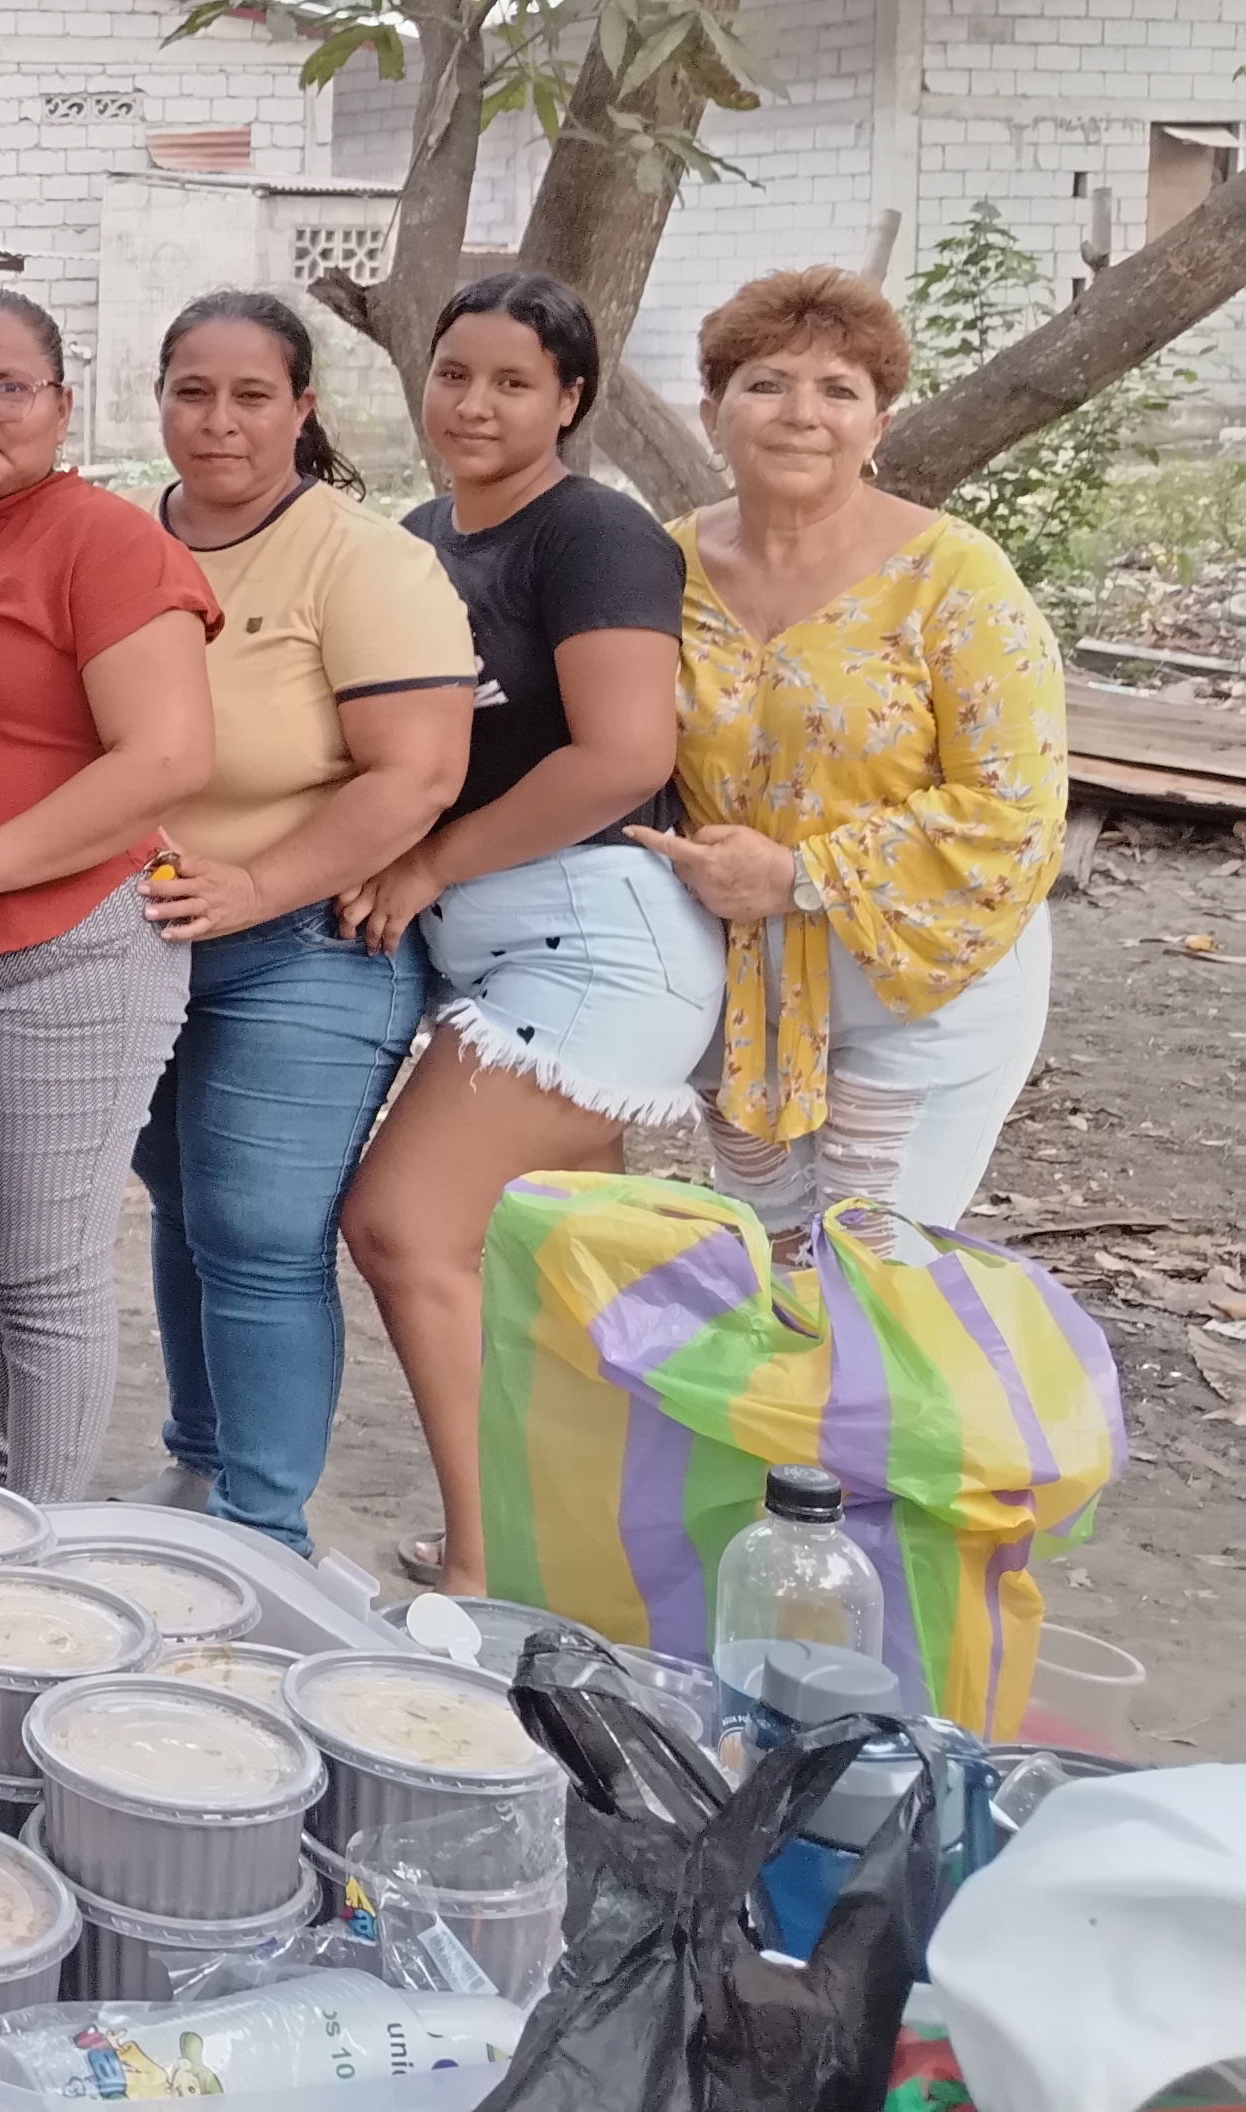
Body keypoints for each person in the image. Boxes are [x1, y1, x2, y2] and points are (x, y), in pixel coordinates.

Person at [335, 276, 718, 1596]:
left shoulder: (595, 535)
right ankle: (591, 1555)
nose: (474, 404)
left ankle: (485, 1565)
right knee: (561, 1278)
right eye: (454, 373)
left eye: (513, 382)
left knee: (401, 1226)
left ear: (570, 400)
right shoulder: (416, 538)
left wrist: (429, 861)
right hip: (484, 942)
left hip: (593, 938)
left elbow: (624, 756)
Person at [131, 291, 474, 1556]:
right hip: (143, 943)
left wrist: (254, 886)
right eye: (192, 392)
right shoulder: (122, 544)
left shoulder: (360, 559)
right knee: (179, 1201)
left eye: (250, 396)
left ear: (302, 408)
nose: (218, 422)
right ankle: (199, 1466)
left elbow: (417, 774)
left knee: (259, 1230)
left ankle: (261, 1530)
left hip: (304, 944)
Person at [0, 289, 218, 1502]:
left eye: (8, 386)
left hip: (65, 955)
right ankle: (3, 1504)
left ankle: (37, 1554)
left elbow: (166, 757)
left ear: (61, 406)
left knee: (45, 1275)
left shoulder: (101, 541)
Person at [630, 269, 1065, 1233]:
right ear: (711, 413)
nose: (801, 415)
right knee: (778, 1265)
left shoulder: (953, 577)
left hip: (920, 982)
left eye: (838, 390)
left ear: (879, 426)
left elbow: (1016, 812)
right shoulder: (658, 566)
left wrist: (799, 875)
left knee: (871, 1268)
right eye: (766, 384)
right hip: (740, 993)